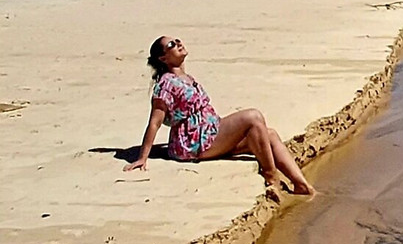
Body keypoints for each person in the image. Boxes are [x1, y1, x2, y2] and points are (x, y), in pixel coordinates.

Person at [125, 35, 315, 196]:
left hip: (209, 132)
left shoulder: (187, 78)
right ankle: (271, 175)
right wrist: (143, 157)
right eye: (171, 45)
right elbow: (155, 123)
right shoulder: (166, 84)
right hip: (193, 142)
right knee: (253, 116)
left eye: (177, 40)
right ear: (163, 58)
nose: (178, 44)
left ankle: (302, 186)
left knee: (269, 134)